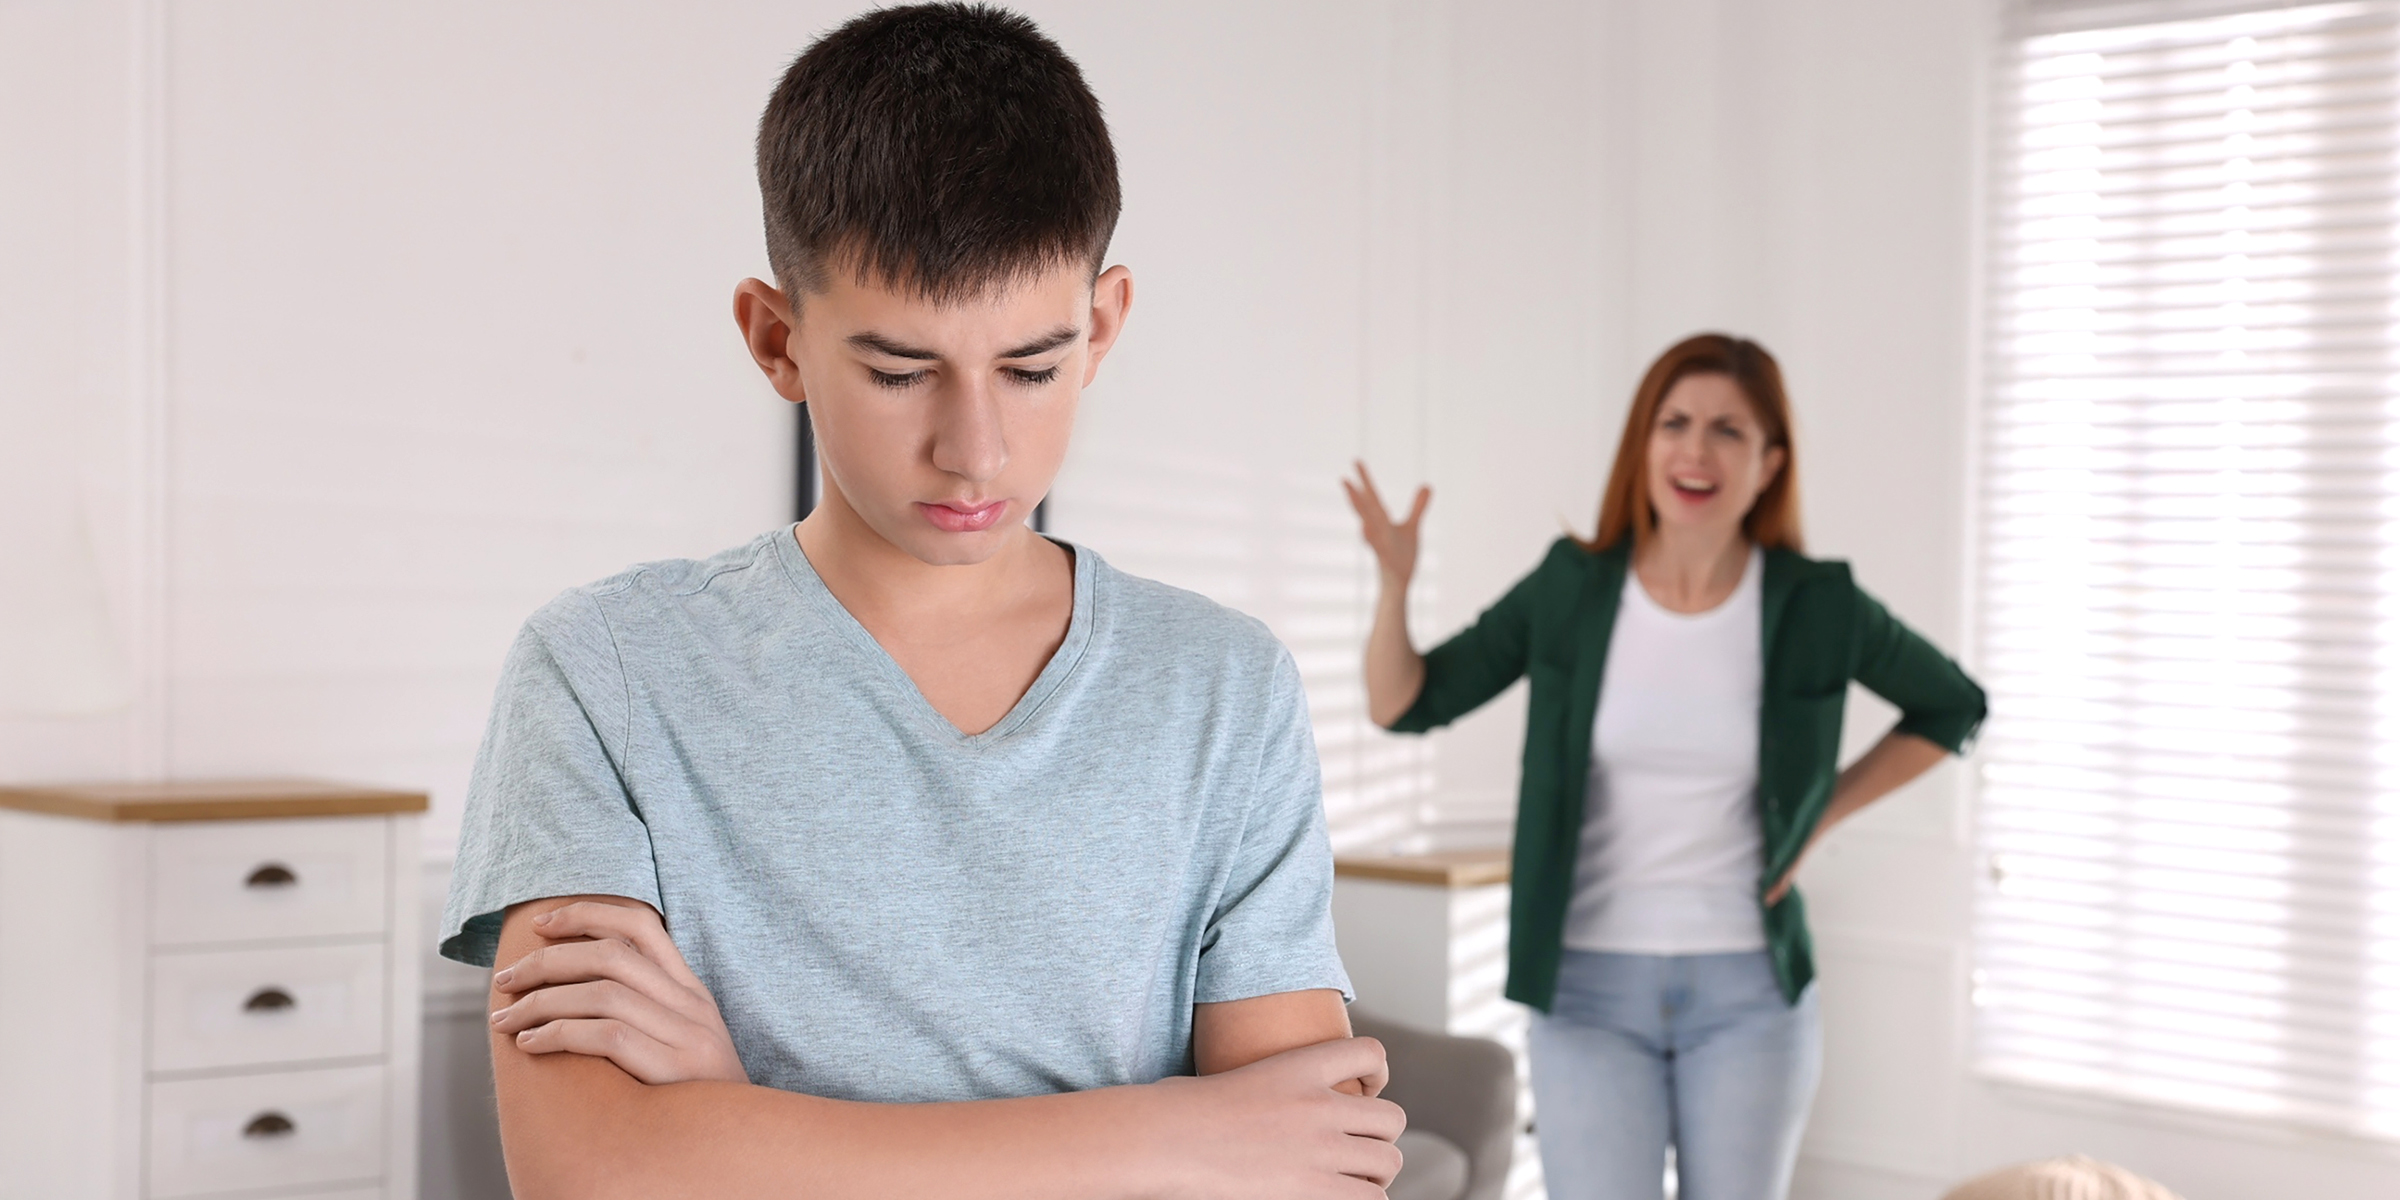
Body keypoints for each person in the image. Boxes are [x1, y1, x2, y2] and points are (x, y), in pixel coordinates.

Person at [438, 7, 1402, 1198]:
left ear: (1102, 327)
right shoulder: (603, 673)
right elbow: (592, 1174)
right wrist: (1177, 1140)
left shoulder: (1223, 687)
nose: (977, 452)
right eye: (901, 373)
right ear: (776, 338)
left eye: (1033, 369)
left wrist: (739, 1126)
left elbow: (1312, 1172)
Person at [1344, 333, 1986, 1200]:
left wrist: (1823, 813)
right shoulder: (1573, 587)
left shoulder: (1815, 603)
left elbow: (1953, 703)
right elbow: (1405, 702)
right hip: (1587, 992)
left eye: (1729, 430)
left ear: (1769, 463)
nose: (1696, 448)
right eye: (1674, 422)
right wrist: (1394, 585)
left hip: (1750, 996)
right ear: (1643, 446)